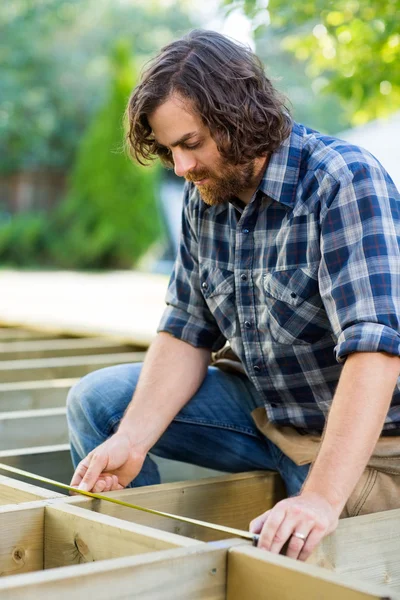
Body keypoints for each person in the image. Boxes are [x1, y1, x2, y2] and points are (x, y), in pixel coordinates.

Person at [67, 29, 400, 561]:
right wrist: (132, 441)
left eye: (191, 144)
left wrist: (318, 499)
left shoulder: (343, 181)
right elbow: (184, 330)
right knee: (102, 405)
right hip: (269, 414)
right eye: (170, 150)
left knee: (307, 569)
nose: (181, 168)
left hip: (366, 442)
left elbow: (375, 352)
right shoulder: (206, 195)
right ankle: (141, 570)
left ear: (241, 117)